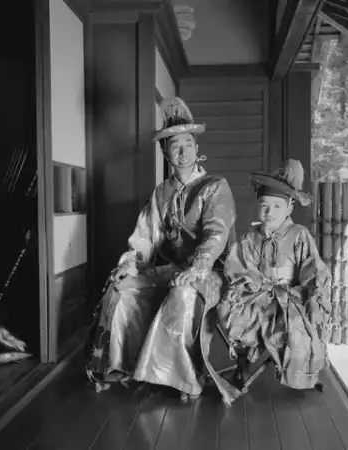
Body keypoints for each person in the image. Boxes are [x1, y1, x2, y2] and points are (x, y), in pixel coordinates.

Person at [86, 97, 237, 403]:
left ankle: (187, 377)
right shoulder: (161, 193)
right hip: (171, 269)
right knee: (120, 289)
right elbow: (145, 236)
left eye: (188, 144)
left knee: (182, 294)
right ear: (165, 152)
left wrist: (198, 268)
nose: (183, 152)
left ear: (196, 147)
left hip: (212, 271)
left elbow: (216, 234)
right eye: (175, 146)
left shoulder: (215, 186)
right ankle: (125, 364)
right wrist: (130, 264)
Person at [217, 159, 332, 406]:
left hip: (290, 296)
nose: (269, 212)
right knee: (232, 311)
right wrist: (245, 285)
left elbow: (313, 269)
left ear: (289, 208)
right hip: (258, 292)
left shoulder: (299, 234)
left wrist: (314, 296)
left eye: (277, 206)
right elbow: (239, 265)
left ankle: (298, 371)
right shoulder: (251, 237)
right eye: (264, 205)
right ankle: (244, 364)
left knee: (295, 324)